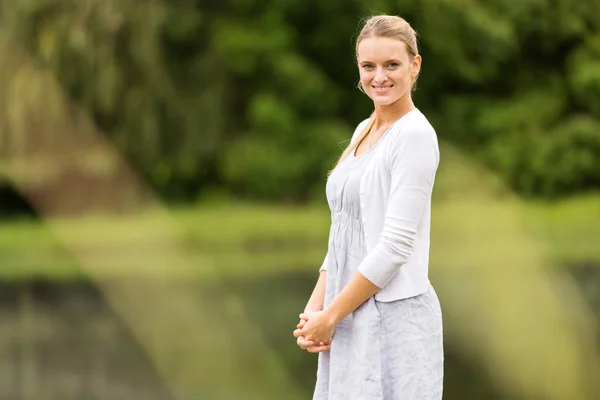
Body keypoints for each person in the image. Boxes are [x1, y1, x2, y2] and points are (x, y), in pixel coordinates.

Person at [293, 14, 444, 400]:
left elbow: (393, 248)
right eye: (368, 66)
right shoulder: (364, 129)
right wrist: (314, 314)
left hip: (393, 321)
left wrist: (331, 315)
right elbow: (343, 234)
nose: (380, 77)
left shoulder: (414, 136)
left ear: (415, 65)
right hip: (349, 315)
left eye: (392, 64)